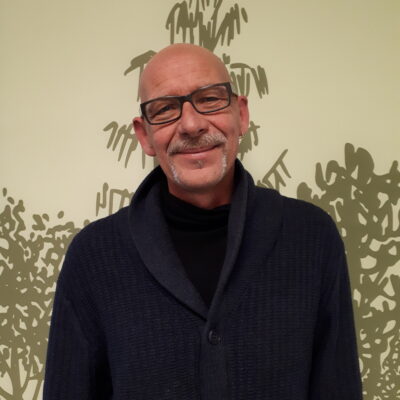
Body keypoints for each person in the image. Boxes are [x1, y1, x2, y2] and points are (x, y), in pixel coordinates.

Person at [44, 44, 362, 399]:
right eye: (165, 109)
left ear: (241, 114)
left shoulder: (311, 238)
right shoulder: (94, 256)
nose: (191, 124)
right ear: (144, 135)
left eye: (209, 99)